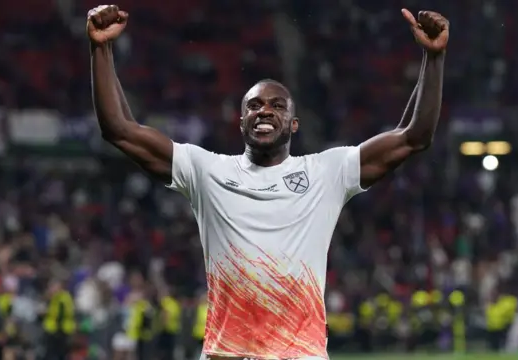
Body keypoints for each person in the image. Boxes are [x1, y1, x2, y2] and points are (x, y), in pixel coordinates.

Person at [87, 4, 448, 360]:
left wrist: (433, 58)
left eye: (277, 106)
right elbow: (119, 130)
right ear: (241, 120)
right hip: (226, 354)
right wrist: (100, 47)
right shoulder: (206, 171)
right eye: (254, 105)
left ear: (293, 124)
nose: (265, 111)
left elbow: (413, 137)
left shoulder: (327, 171)